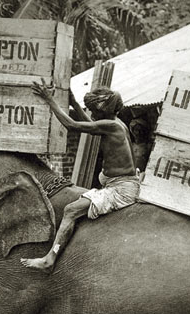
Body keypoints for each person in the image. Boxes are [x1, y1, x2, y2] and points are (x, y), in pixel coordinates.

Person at [21, 82, 139, 273]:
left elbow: (72, 125)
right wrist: (74, 103)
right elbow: (91, 126)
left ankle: (49, 259)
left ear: (103, 112)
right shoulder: (116, 124)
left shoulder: (110, 125)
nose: (92, 115)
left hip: (121, 189)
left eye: (94, 111)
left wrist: (49, 100)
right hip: (121, 184)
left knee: (70, 210)